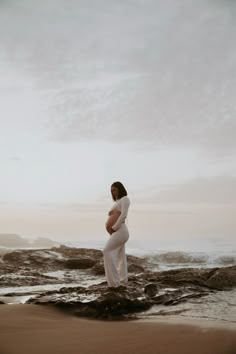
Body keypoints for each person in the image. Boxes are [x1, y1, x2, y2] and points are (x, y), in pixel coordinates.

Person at [103, 181, 130, 288]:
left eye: (114, 189)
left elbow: (123, 215)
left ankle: (114, 284)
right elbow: (116, 213)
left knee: (106, 251)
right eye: (111, 191)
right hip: (117, 231)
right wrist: (111, 213)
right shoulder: (118, 201)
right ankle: (123, 281)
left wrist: (113, 228)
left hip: (121, 231)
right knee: (120, 257)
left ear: (120, 188)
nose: (113, 192)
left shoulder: (125, 199)